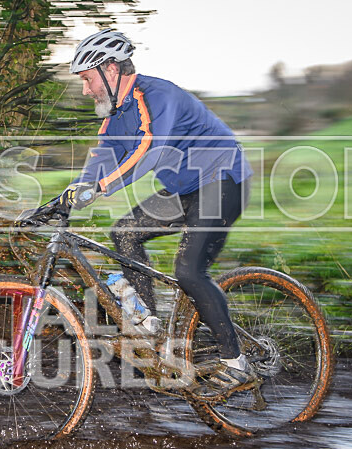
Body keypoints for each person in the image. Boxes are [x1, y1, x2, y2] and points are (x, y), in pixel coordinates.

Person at [59, 29, 256, 399]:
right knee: (125, 233)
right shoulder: (115, 116)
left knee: (189, 270)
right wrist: (62, 200)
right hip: (186, 189)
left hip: (223, 178)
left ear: (110, 69)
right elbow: (100, 159)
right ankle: (147, 322)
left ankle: (236, 363)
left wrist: (101, 189)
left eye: (87, 79)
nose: (86, 90)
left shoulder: (157, 94)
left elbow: (148, 149)